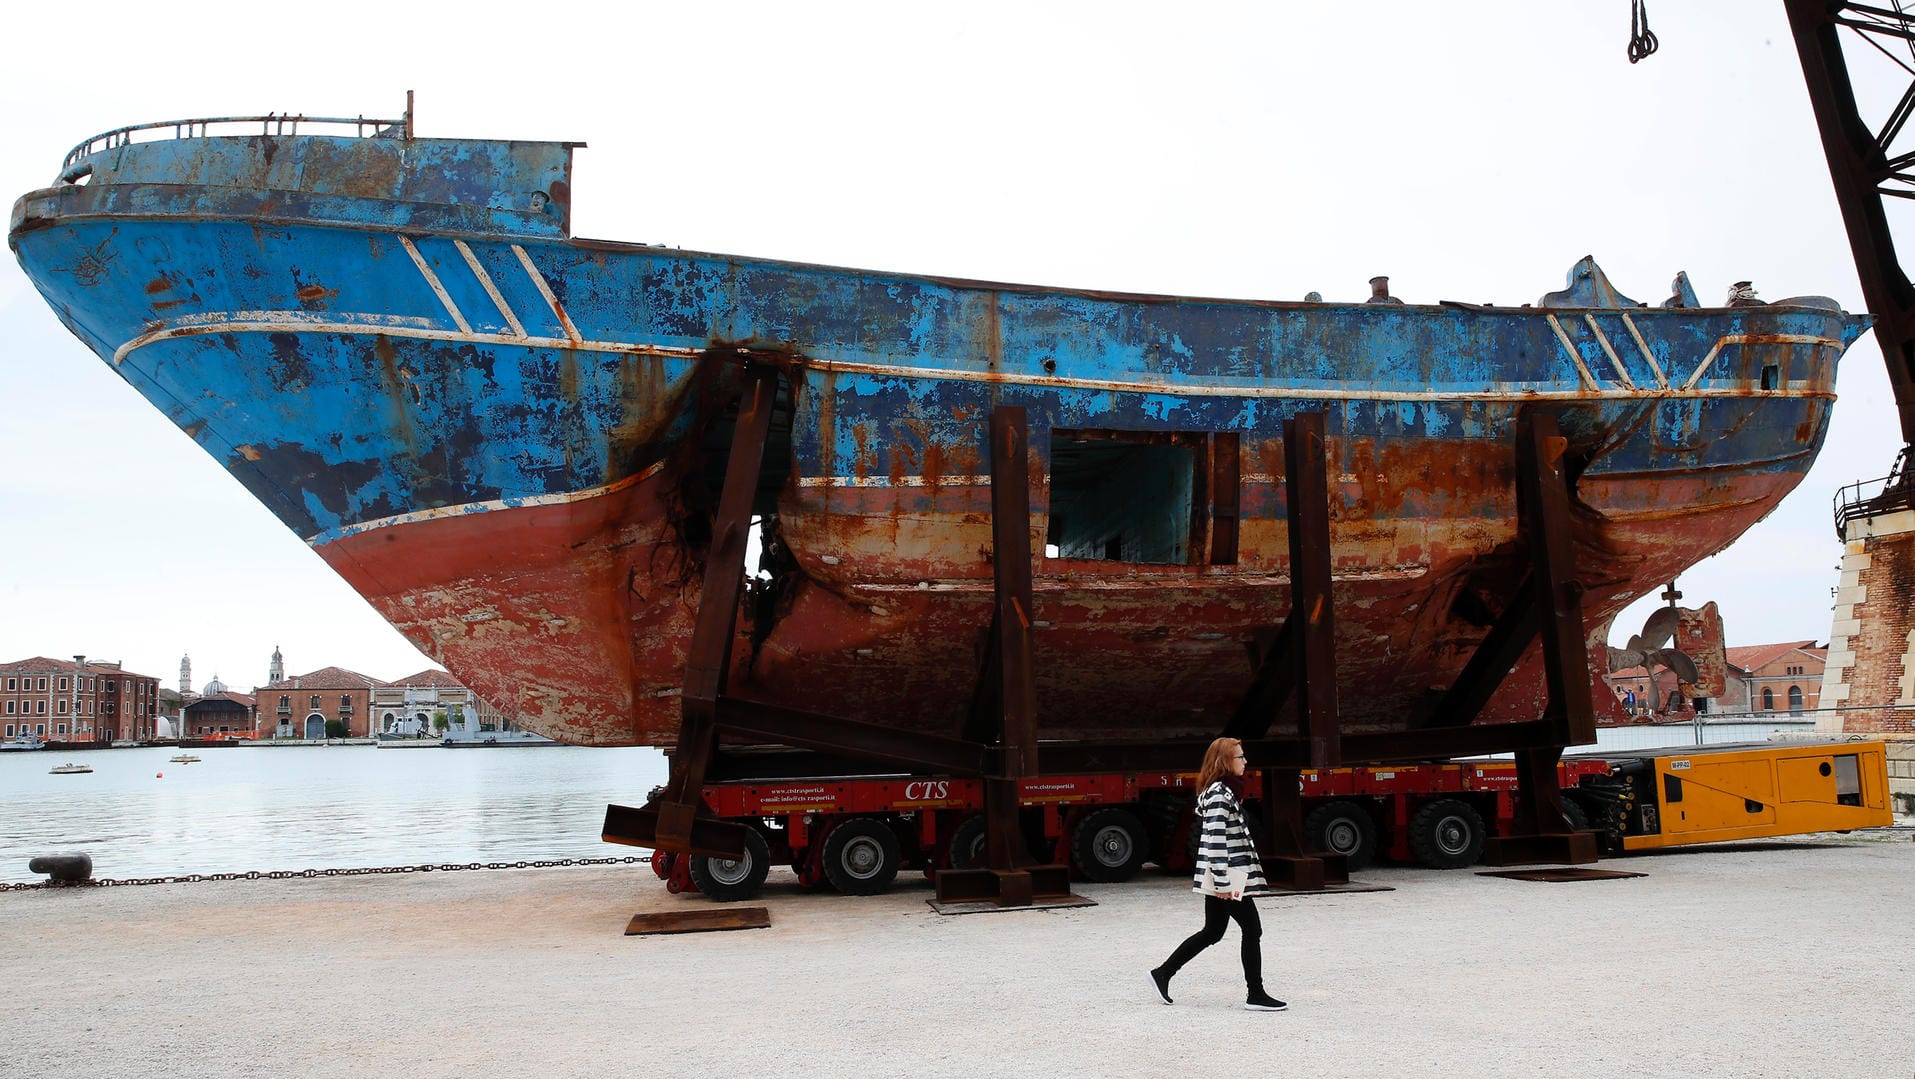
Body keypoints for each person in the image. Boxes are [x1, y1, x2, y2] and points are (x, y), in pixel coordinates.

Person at [1149, 737, 1287, 1012]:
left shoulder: (1226, 792)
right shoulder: (1219, 796)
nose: (1246, 761)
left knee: (1212, 931)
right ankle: (1255, 994)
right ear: (1225, 761)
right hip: (1226, 876)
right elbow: (1214, 842)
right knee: (1252, 929)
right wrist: (1224, 883)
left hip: (1224, 875)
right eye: (1240, 757)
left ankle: (1162, 973)